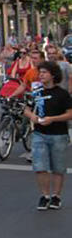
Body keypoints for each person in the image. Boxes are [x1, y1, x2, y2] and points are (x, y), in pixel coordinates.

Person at [20, 61, 72, 210]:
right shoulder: (36, 92)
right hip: (39, 134)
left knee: (58, 167)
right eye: (40, 72)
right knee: (40, 166)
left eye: (44, 72)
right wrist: (33, 117)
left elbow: (70, 113)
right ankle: (45, 195)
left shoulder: (62, 94)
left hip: (58, 134)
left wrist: (53, 119)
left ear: (53, 75)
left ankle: (56, 196)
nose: (40, 75)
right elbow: (26, 109)